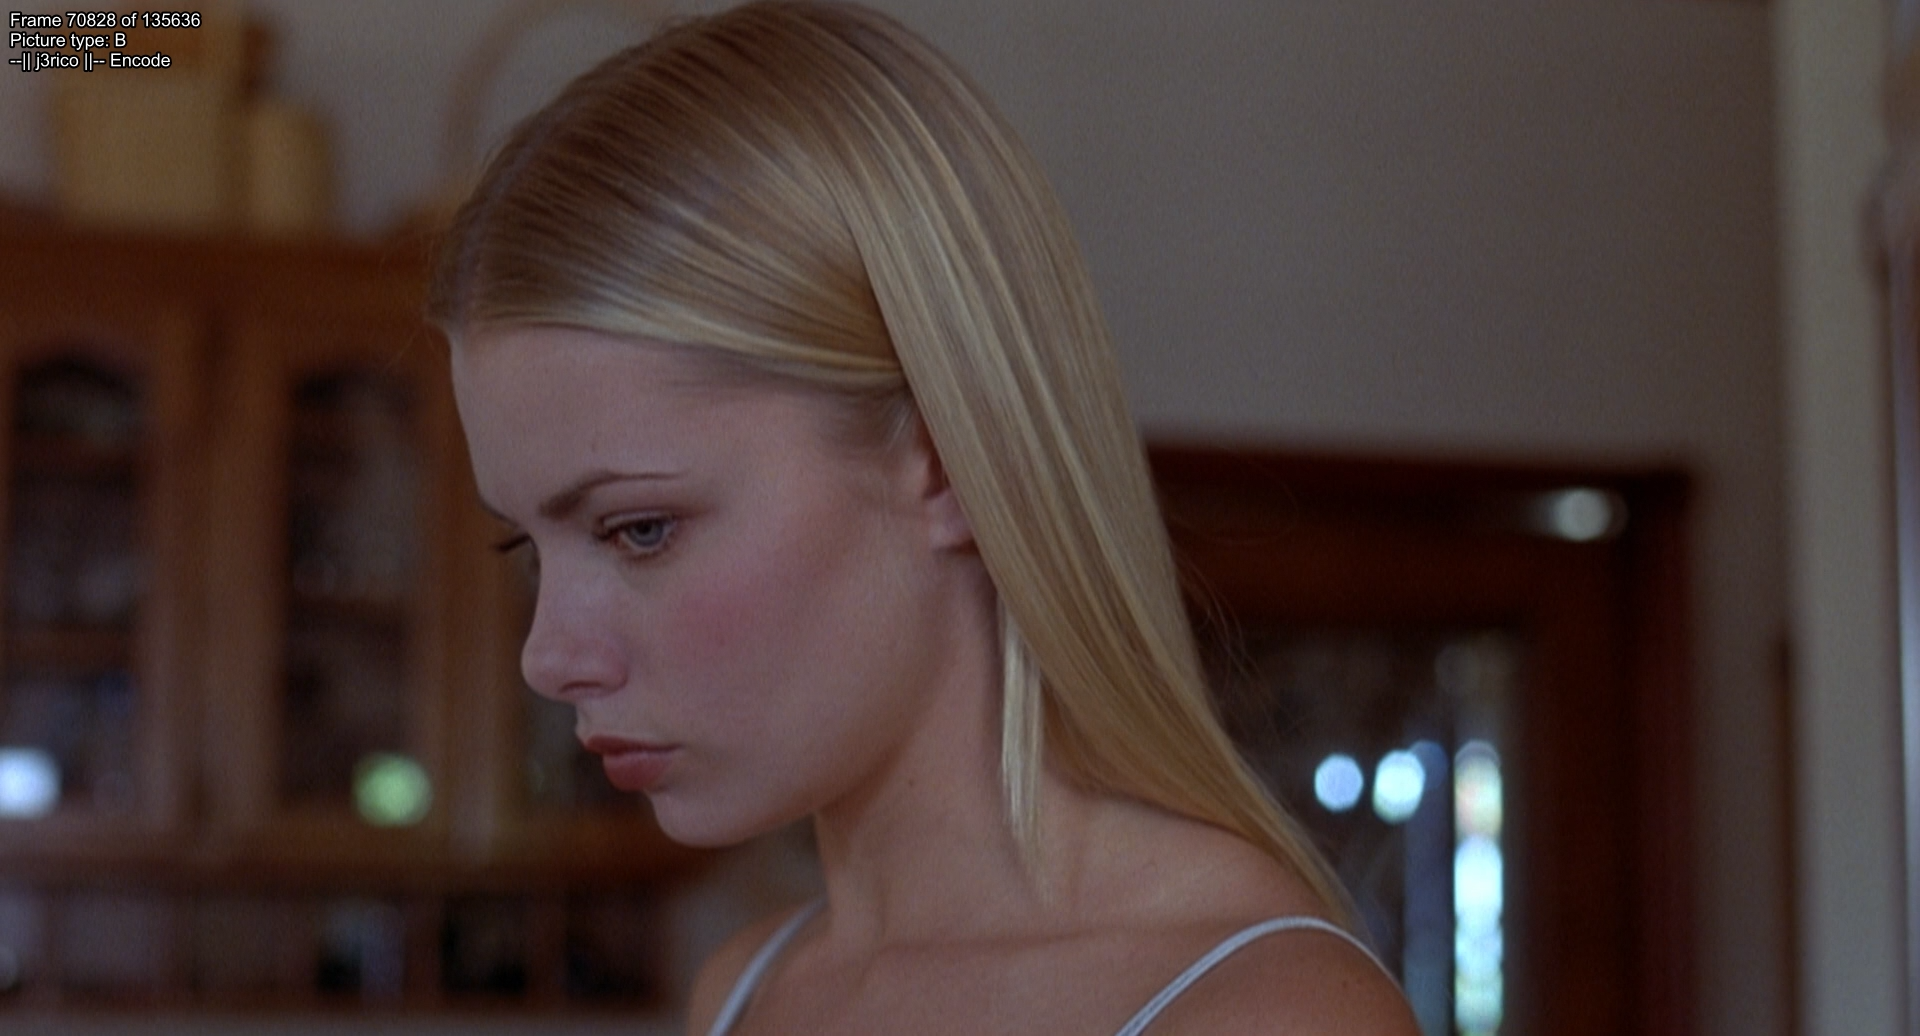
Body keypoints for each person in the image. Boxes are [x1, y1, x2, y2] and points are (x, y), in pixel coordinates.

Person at [430, 2, 1420, 1032]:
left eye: (640, 529)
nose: (548, 659)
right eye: (528, 546)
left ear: (946, 461)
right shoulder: (748, 990)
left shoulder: (1266, 1013)